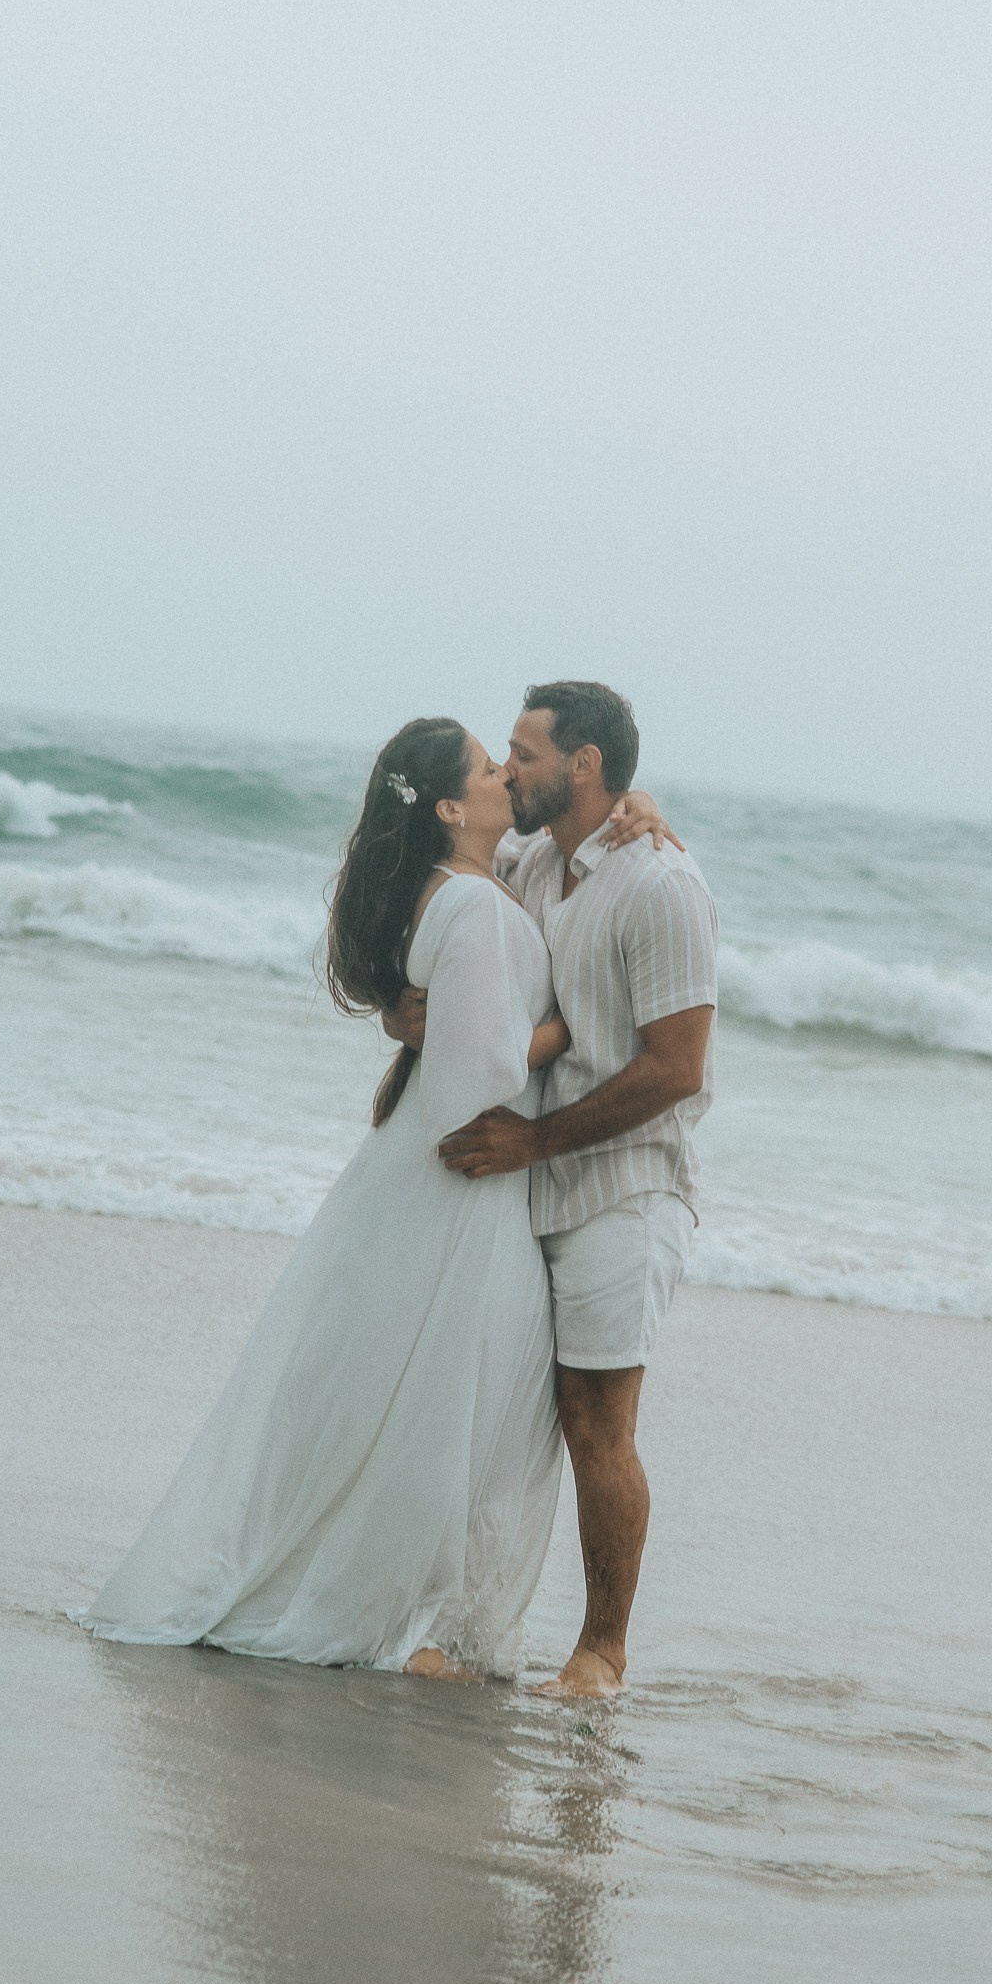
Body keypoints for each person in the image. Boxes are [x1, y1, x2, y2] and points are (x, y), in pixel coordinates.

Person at [78, 717, 573, 1679]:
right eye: (486, 769)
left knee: (395, 1392)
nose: (504, 776)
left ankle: (389, 1603)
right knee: (436, 1402)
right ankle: (386, 1611)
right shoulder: (471, 904)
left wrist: (638, 809)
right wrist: (573, 1027)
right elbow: (480, 1073)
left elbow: (457, 1022)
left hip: (423, 1171)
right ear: (448, 808)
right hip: (459, 1176)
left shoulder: (466, 885)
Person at [393, 682, 718, 1702]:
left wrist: (534, 1140)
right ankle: (472, 1635)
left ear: (584, 766)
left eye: (525, 753)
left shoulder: (661, 884)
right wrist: (400, 1011)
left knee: (596, 1420)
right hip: (527, 1186)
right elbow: (442, 919)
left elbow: (677, 1067)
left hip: (625, 1190)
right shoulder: (533, 864)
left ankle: (601, 1653)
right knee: (498, 1414)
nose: (508, 770)